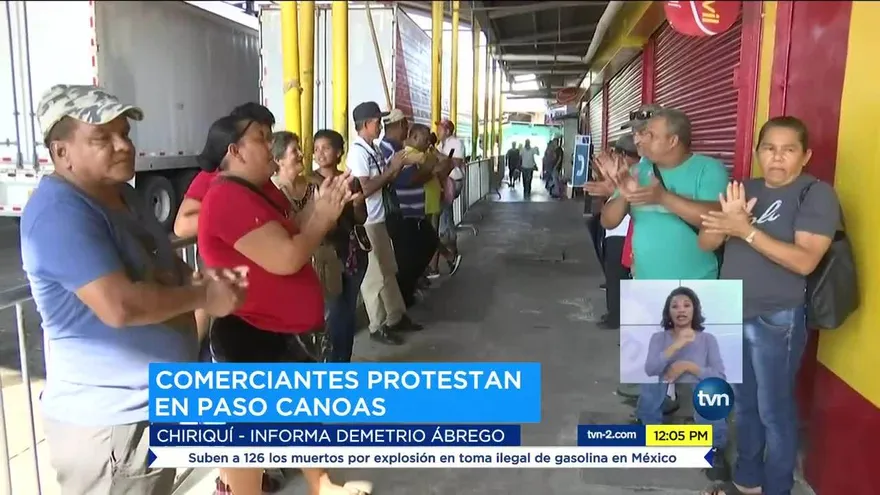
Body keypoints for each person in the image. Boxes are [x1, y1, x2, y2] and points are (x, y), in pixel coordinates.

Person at [21, 84, 246, 495]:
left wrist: (201, 281)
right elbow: (119, 305)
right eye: (102, 138)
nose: (123, 145)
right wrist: (202, 297)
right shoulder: (59, 213)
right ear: (61, 153)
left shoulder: (123, 196)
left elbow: (162, 263)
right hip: (111, 426)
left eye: (124, 133)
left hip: (148, 407)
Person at [196, 112, 372, 495]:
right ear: (235, 151)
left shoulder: (262, 191)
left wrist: (323, 203)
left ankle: (322, 484)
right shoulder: (226, 197)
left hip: (280, 334)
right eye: (262, 137)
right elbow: (287, 256)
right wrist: (323, 218)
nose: (271, 145)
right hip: (249, 335)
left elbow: (296, 226)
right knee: (248, 442)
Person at [699, 117, 840, 495]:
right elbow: (706, 243)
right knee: (743, 405)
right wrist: (724, 223)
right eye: (769, 148)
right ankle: (748, 481)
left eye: (788, 149)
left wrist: (745, 229)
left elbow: (805, 260)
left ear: (805, 155)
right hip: (731, 310)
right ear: (758, 151)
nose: (776, 158)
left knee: (773, 410)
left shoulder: (816, 195)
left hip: (776, 317)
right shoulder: (742, 188)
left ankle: (777, 487)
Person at [596, 108, 730, 474]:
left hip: (699, 284)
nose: (639, 139)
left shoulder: (708, 169)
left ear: (673, 139)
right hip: (646, 283)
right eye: (640, 135)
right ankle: (648, 423)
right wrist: (623, 191)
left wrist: (661, 198)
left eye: (649, 134)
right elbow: (609, 220)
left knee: (710, 371)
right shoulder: (640, 170)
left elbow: (717, 216)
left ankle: (713, 445)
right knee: (650, 364)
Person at [346, 101, 422, 345]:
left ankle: (395, 316)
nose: (381, 126)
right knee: (375, 277)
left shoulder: (374, 148)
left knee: (388, 271)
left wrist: (397, 167)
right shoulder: (358, 152)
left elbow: (385, 178)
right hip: (367, 221)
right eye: (378, 121)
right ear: (367, 124)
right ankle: (377, 325)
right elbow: (365, 188)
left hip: (380, 217)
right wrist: (392, 171)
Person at [313, 129, 370, 362]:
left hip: (353, 253)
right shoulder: (310, 182)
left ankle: (343, 362)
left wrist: (357, 204)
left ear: (339, 152)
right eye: (316, 149)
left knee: (347, 312)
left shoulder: (350, 180)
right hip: (328, 257)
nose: (320, 153)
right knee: (336, 313)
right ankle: (336, 363)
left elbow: (361, 217)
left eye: (326, 148)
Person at [585, 136, 637, 330]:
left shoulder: (632, 174)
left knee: (616, 276)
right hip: (620, 229)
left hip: (621, 231)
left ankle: (615, 316)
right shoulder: (630, 172)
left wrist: (609, 184)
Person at [428, 124, 464, 278]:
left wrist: (438, 155)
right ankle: (449, 254)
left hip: (451, 182)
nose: (438, 131)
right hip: (444, 182)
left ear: (448, 131)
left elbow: (455, 163)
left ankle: (450, 254)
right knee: (444, 217)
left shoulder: (455, 143)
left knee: (443, 218)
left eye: (441, 128)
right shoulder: (442, 144)